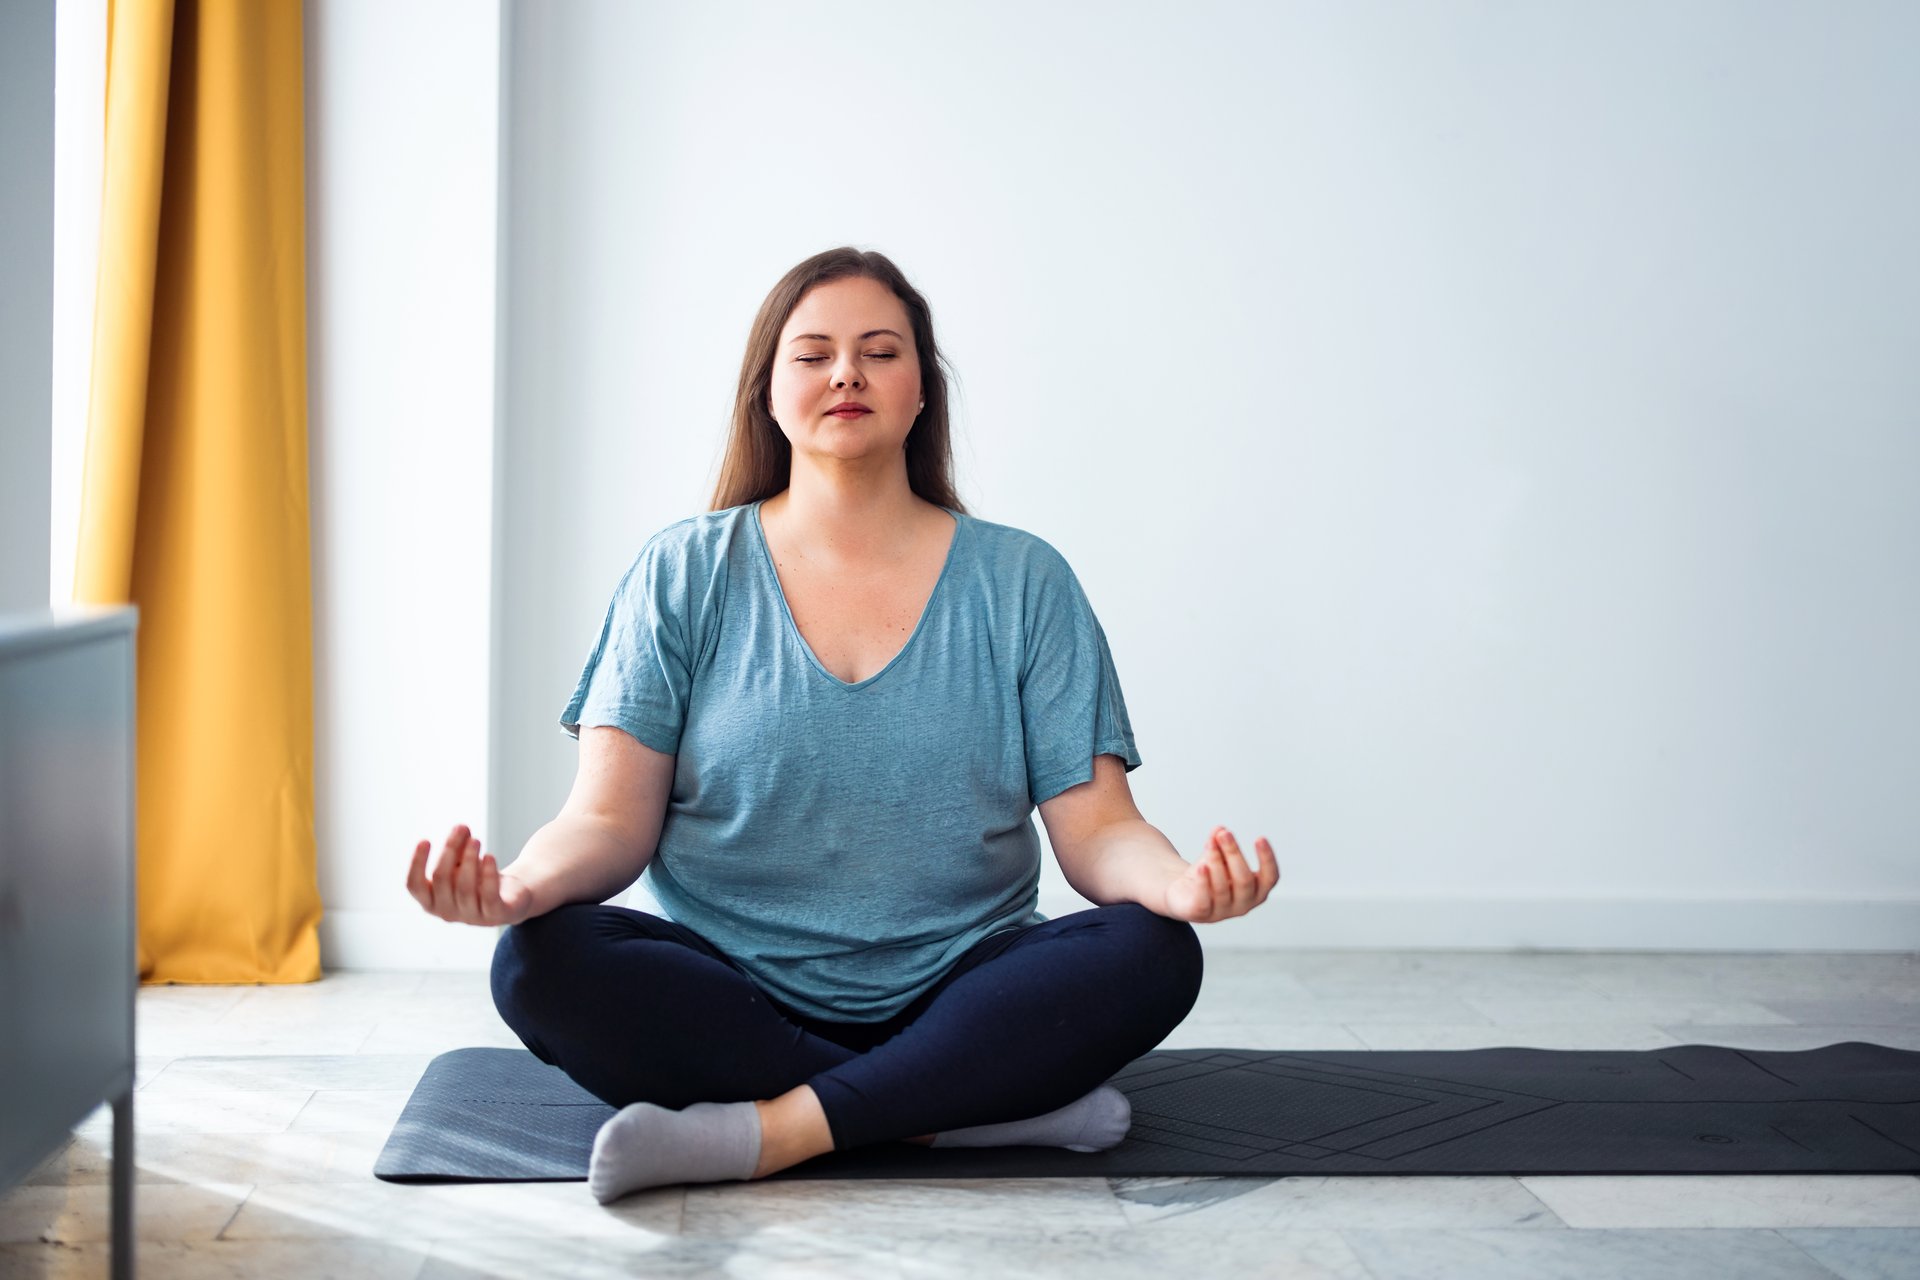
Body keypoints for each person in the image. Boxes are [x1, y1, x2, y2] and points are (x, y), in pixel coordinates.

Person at [405, 247, 1280, 1203]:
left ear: (920, 393)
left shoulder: (1025, 581)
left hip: (965, 982)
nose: (847, 374)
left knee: (1152, 952)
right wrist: (520, 886)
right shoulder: (684, 572)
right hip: (734, 991)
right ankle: (958, 1109)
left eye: (879, 351)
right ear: (769, 395)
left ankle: (774, 1129)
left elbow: (1100, 830)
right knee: (539, 960)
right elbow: (610, 822)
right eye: (813, 353)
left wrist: (1179, 886)